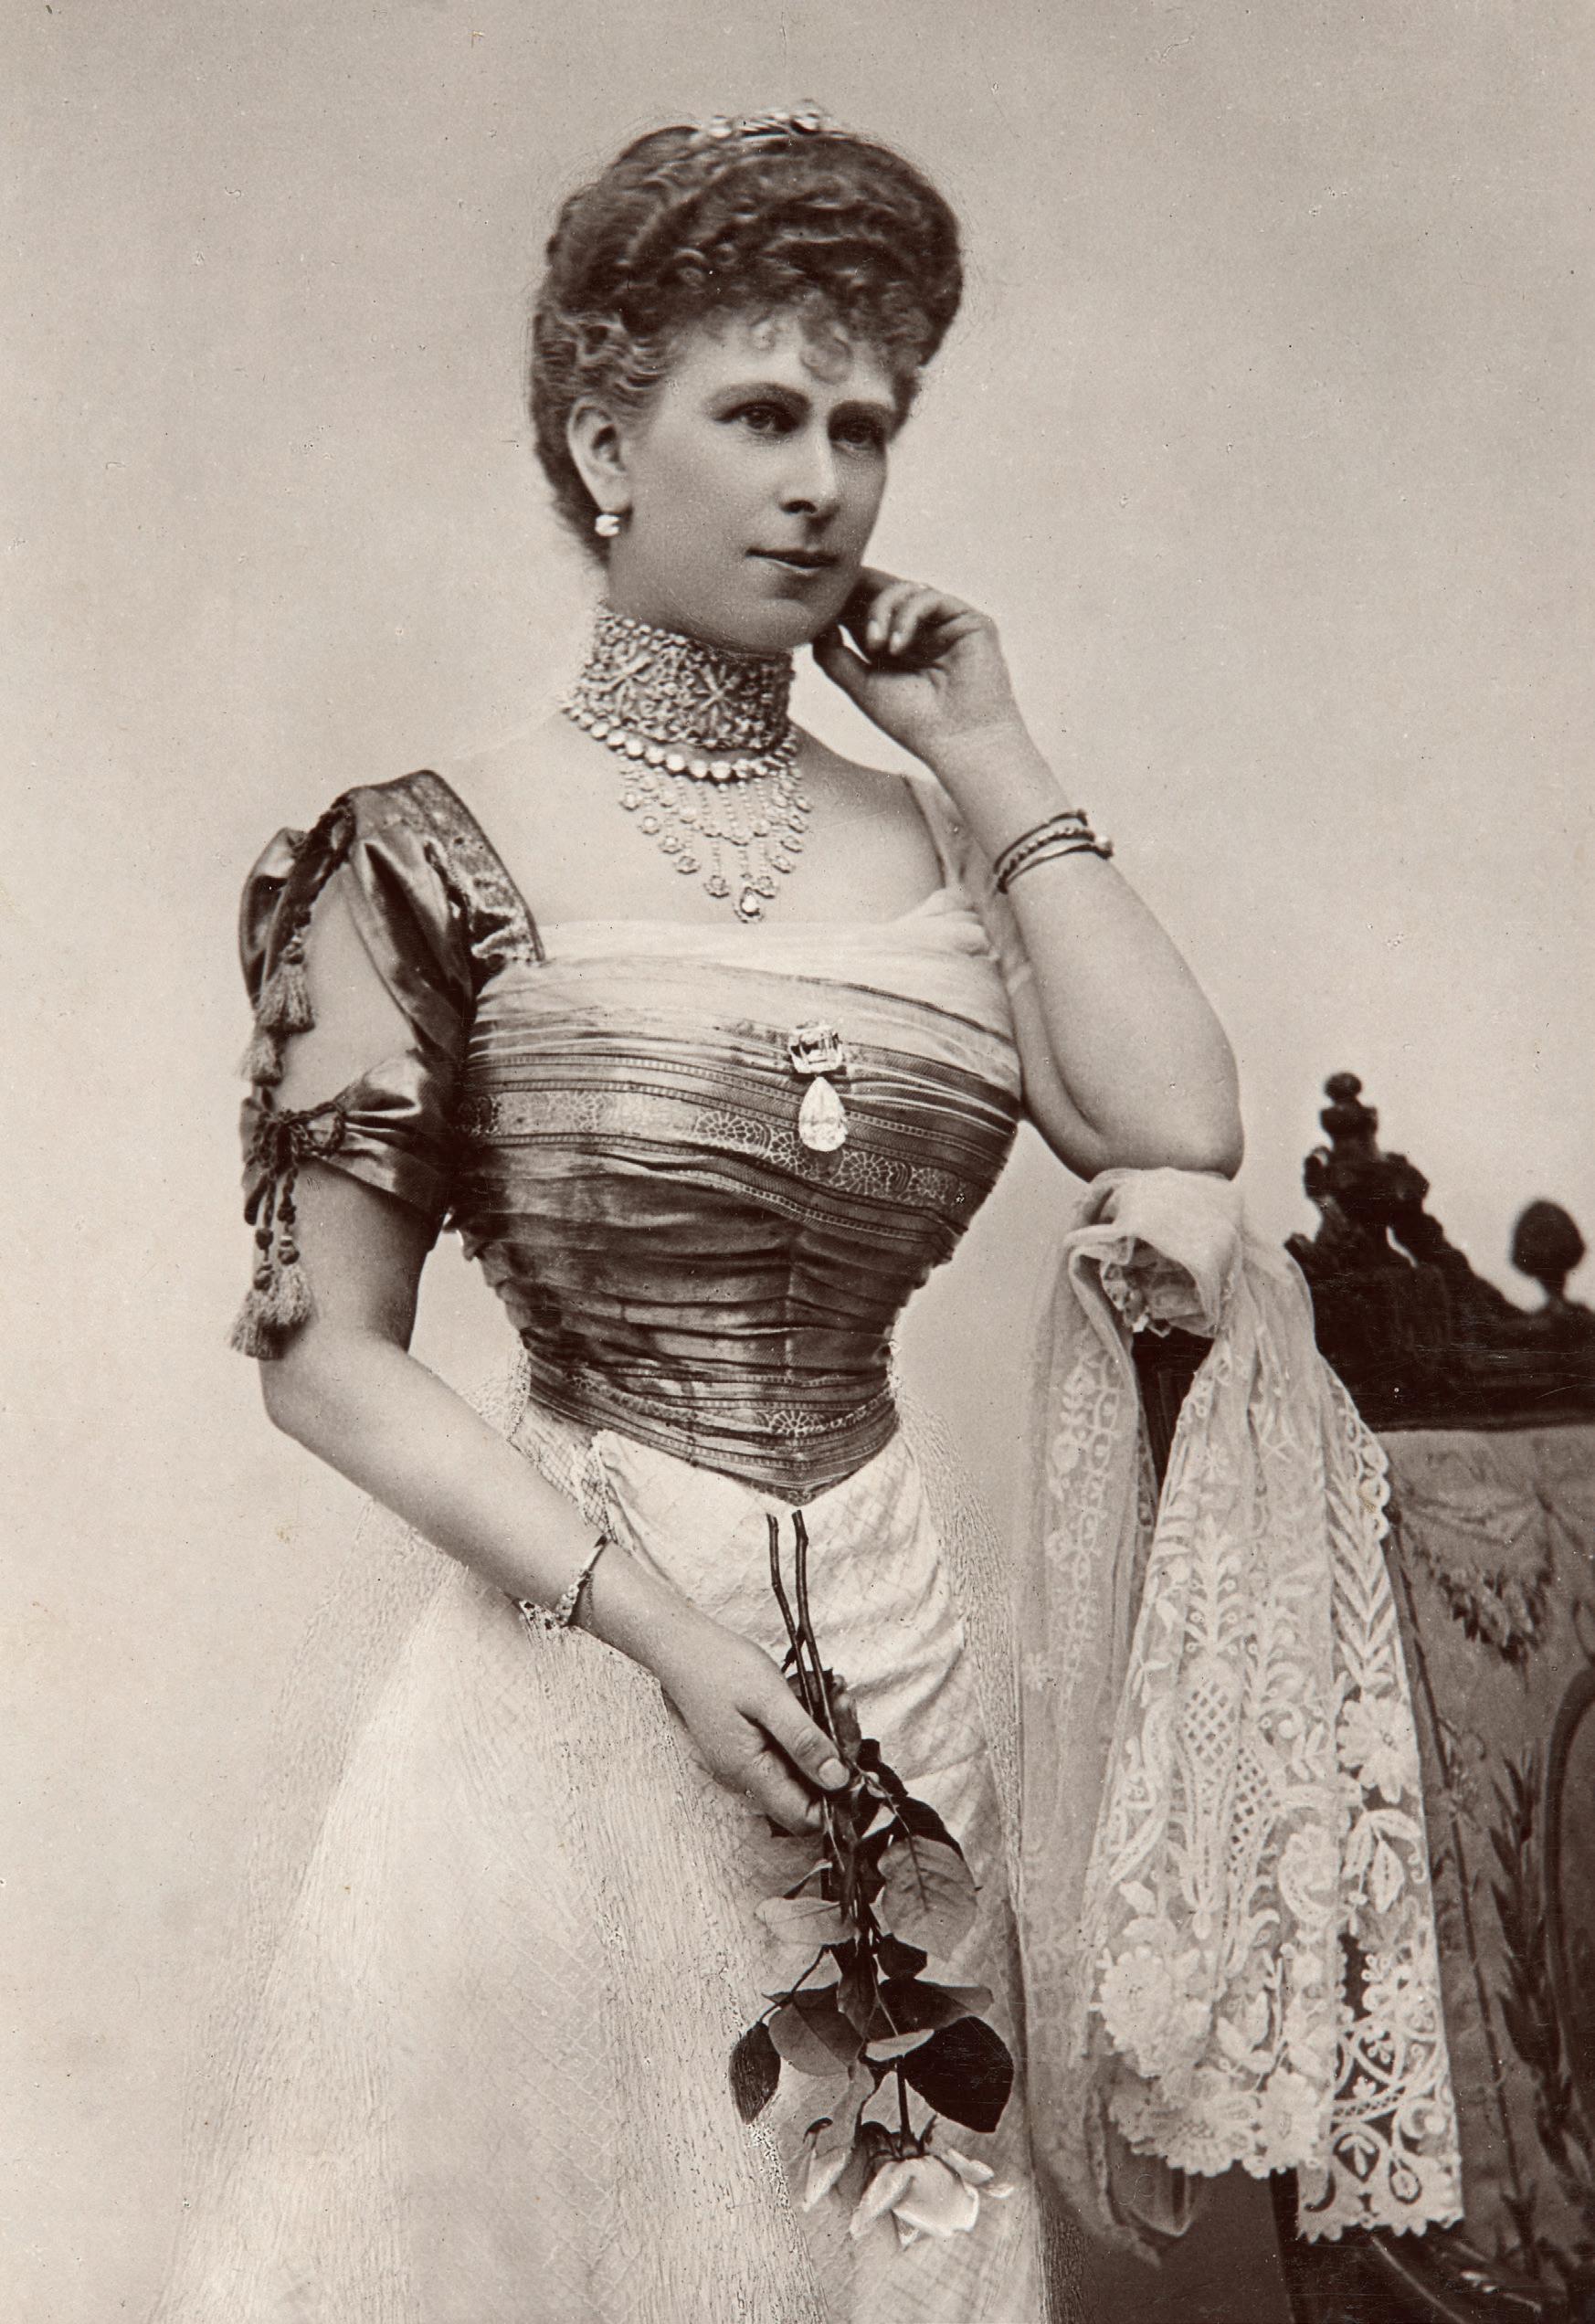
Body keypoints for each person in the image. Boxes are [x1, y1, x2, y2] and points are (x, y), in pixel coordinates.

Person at [153, 109, 1242, 2323]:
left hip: (895, 1628)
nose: (821, 483)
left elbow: (1178, 1127)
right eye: (759, 416)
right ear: (602, 445)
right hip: (575, 1656)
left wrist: (996, 754)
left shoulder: (943, 843)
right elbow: (324, 1356)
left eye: (865, 427)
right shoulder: (413, 854)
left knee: (892, 2223)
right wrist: (661, 1631)